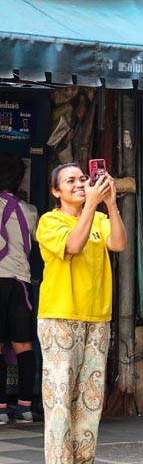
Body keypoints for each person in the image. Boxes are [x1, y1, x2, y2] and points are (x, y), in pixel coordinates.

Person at [37, 162, 127, 464]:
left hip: (97, 317)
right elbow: (73, 246)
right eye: (70, 181)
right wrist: (91, 203)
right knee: (60, 395)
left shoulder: (100, 218)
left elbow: (118, 244)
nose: (79, 184)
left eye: (82, 178)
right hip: (59, 317)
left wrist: (111, 204)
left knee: (90, 397)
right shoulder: (49, 222)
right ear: (55, 191)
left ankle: (83, 463)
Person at [0, 153, 38, 424]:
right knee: (24, 347)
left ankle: (1, 408)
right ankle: (25, 407)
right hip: (20, 283)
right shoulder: (30, 211)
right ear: (21, 179)